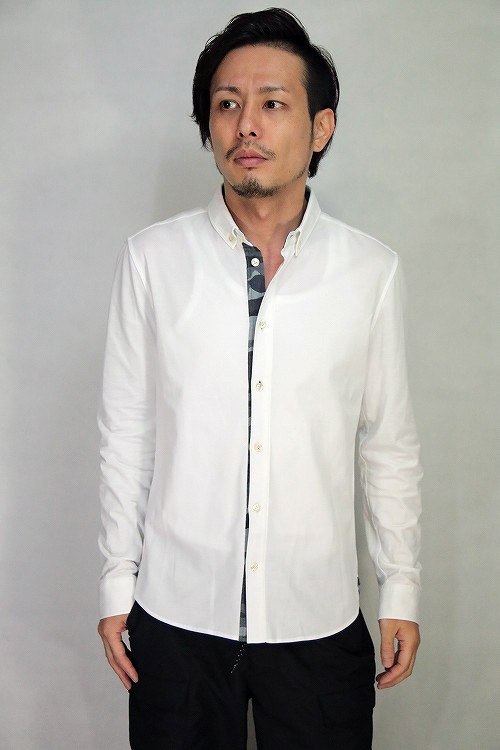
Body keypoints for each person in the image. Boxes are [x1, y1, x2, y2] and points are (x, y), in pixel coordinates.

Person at [97, 8, 422, 749]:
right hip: (176, 615)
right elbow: (127, 432)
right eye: (227, 103)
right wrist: (118, 580)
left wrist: (400, 587)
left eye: (273, 103)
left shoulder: (370, 271)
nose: (246, 124)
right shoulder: (152, 261)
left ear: (321, 127)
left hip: (317, 615)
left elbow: (387, 442)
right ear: (208, 125)